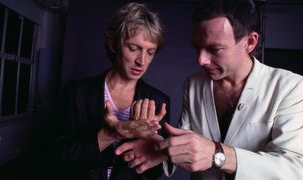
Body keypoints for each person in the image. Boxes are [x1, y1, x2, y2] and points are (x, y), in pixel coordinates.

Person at [115, 0, 303, 179]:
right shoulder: (193, 83)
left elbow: (295, 169)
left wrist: (218, 154)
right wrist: (161, 148)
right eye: (197, 47)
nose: (201, 60)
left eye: (215, 49)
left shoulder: (291, 87)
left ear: (250, 42)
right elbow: (189, 145)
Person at [53, 2, 170, 180]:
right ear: (113, 44)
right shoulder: (76, 92)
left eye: (150, 52)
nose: (142, 61)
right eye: (133, 48)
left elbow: (155, 173)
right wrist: (108, 135)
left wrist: (152, 146)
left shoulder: (158, 101)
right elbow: (59, 158)